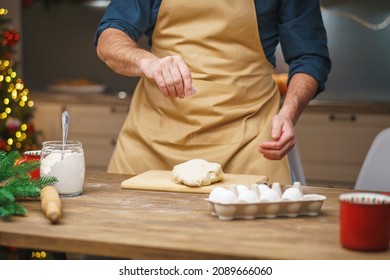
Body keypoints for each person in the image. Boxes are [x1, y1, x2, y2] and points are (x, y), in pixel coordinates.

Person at [94, 0, 331, 185]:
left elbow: (309, 56)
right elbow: (109, 38)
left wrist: (288, 113)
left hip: (248, 140)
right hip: (152, 138)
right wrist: (147, 62)